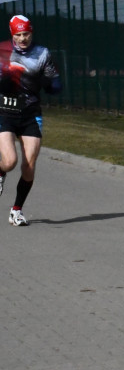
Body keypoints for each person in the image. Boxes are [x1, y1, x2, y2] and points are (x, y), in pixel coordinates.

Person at [0, 15, 62, 226]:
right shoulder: (3, 52)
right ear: (12, 35)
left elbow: (55, 84)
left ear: (31, 32)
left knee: (29, 164)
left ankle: (16, 210)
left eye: (26, 34)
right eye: (18, 35)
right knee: (10, 162)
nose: (23, 38)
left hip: (30, 114)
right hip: (5, 112)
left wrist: (48, 83)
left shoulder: (42, 53)